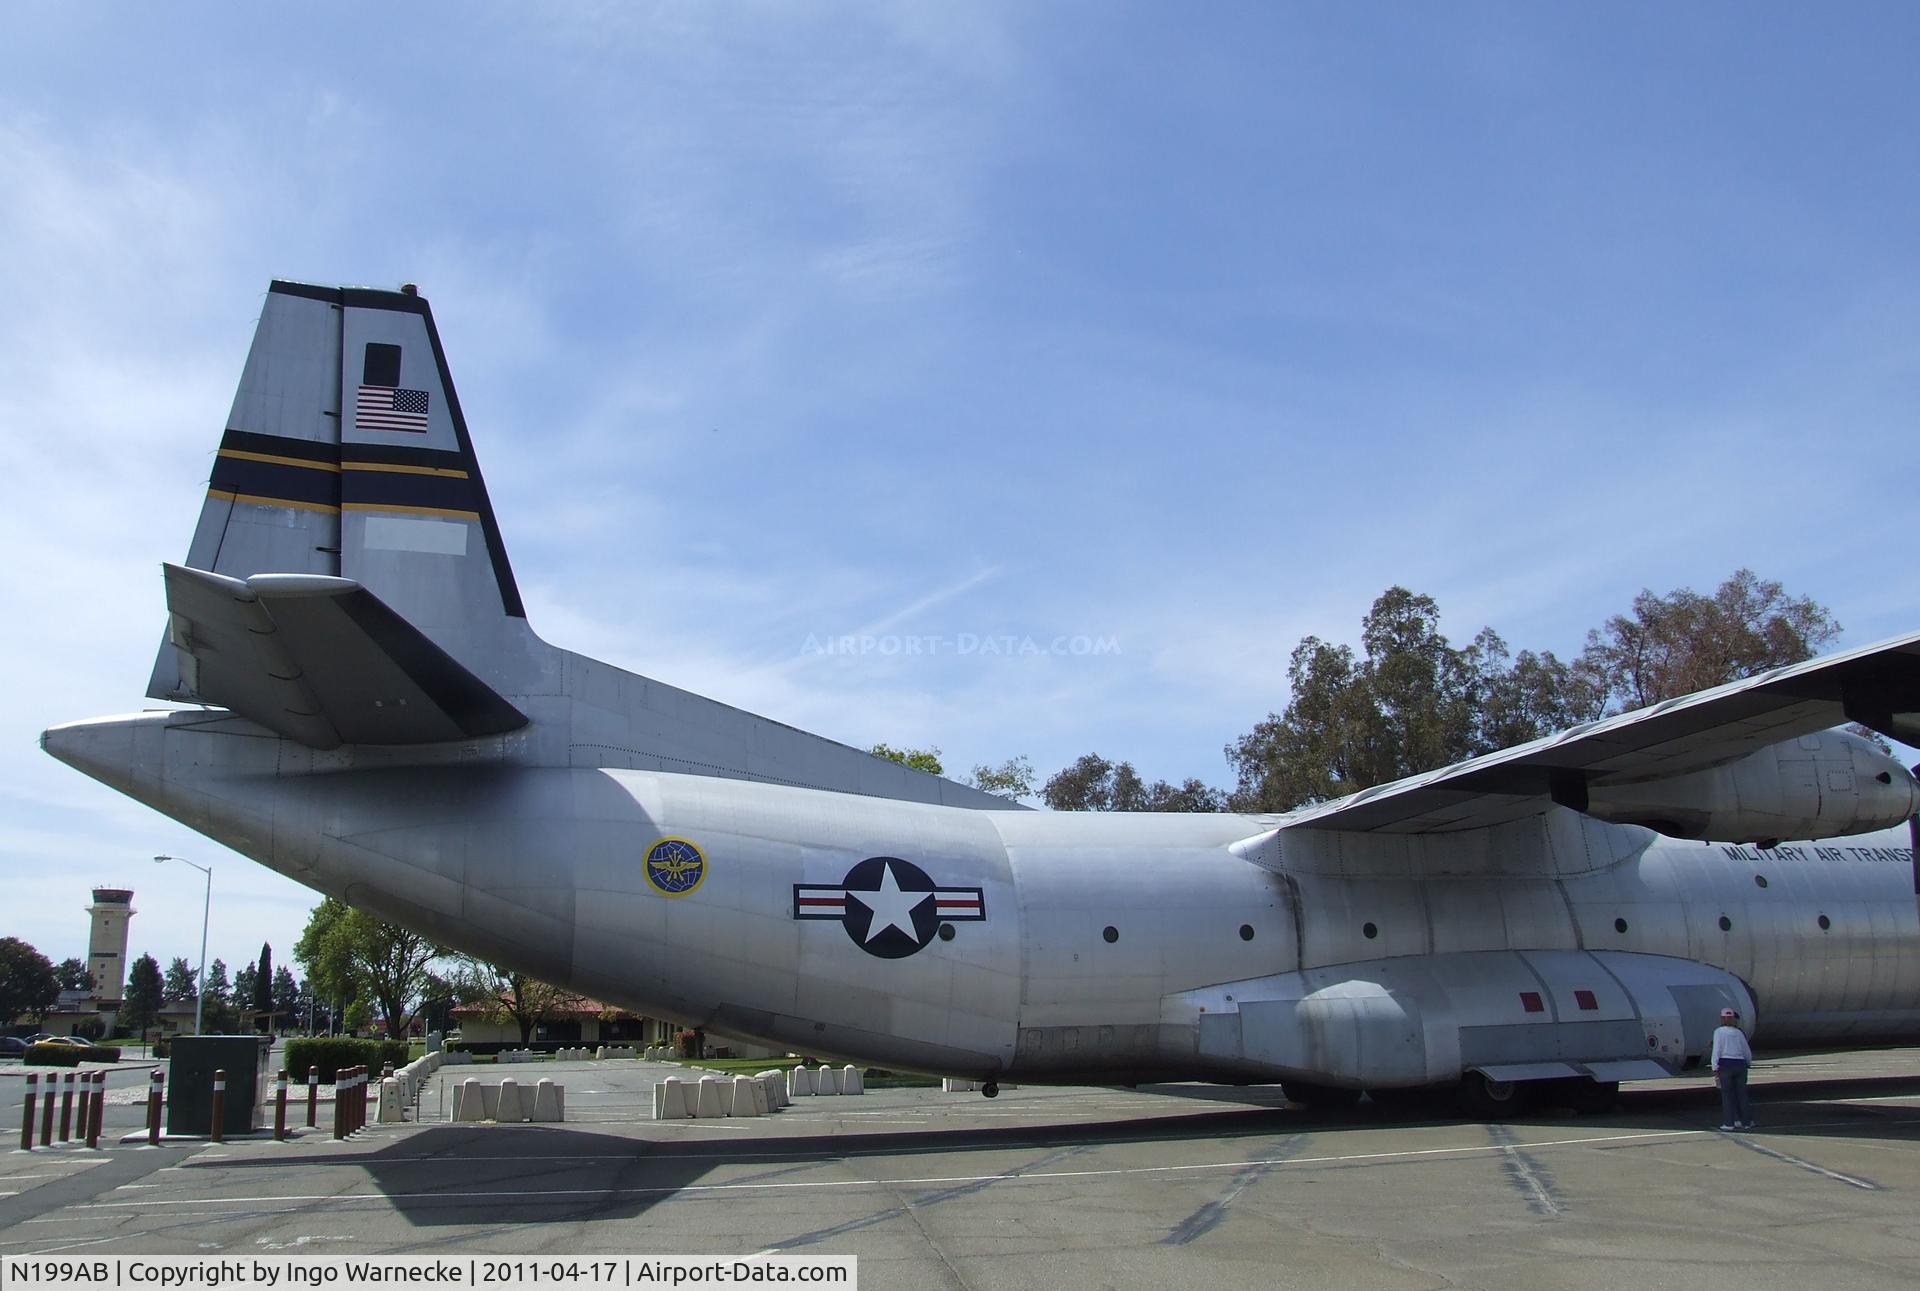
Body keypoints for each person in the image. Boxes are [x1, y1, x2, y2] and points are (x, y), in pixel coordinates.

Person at [1711, 1006, 1755, 1129]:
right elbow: (1746, 1050)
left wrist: (1715, 1067)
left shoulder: (1718, 1032)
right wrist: (1748, 1062)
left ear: (1722, 1018)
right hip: (1740, 1064)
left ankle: (1729, 1123)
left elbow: (1717, 1050)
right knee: (1742, 1094)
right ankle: (1747, 1122)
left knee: (1727, 1095)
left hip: (1725, 1064)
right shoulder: (1738, 1032)